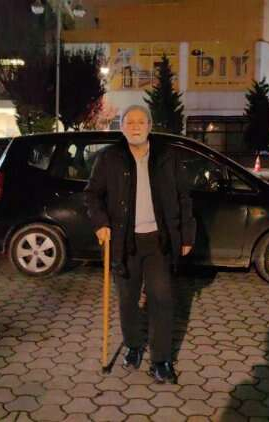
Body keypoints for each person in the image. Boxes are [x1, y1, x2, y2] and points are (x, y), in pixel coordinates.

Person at [84, 104, 196, 384]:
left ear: (149, 125)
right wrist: (100, 222)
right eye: (129, 122)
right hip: (125, 242)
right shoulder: (109, 158)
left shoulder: (167, 157)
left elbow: (184, 197)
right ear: (122, 127)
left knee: (162, 299)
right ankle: (134, 345)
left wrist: (186, 234)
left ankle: (161, 360)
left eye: (141, 121)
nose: (135, 126)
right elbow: (92, 195)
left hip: (159, 241)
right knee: (128, 300)